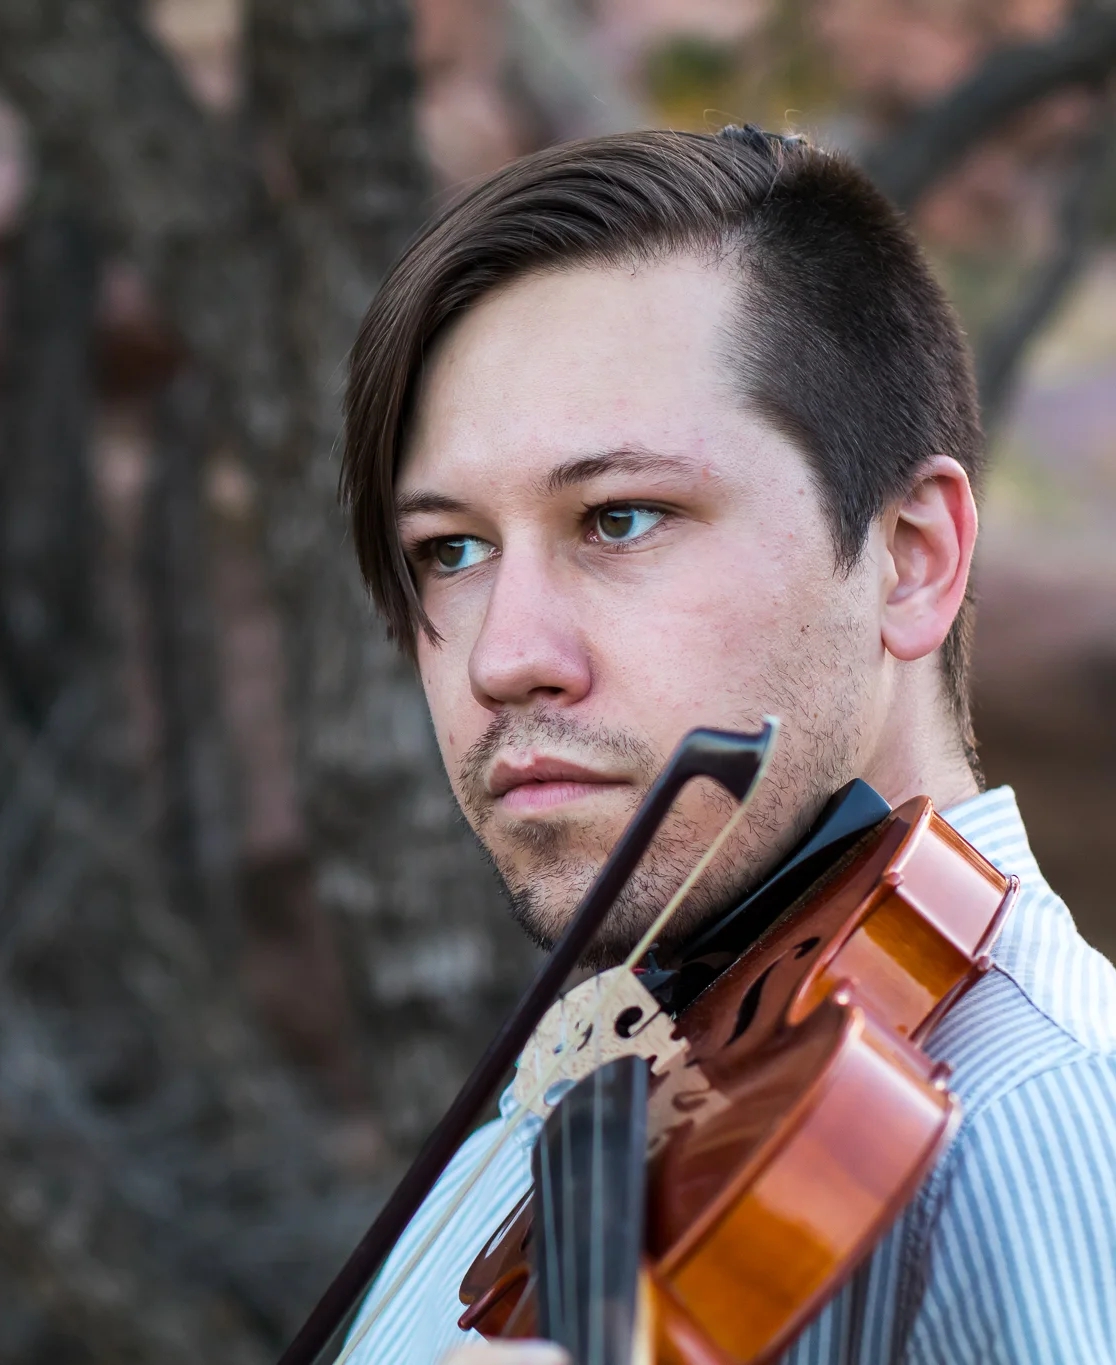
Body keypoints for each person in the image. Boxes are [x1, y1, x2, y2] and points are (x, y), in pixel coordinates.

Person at [335, 127, 1116, 1365]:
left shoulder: (1024, 1118)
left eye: (620, 517)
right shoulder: (616, 1064)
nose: (502, 655)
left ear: (911, 560)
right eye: (452, 549)